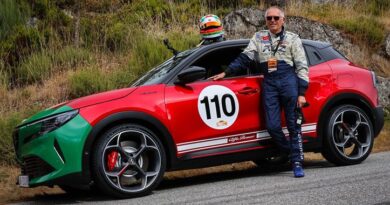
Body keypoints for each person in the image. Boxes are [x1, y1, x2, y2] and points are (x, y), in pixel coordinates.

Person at [209, 6, 308, 178]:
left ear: (283, 20)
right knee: (272, 126)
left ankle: (297, 163)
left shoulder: (293, 39)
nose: (272, 21)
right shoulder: (259, 37)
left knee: (293, 124)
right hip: (269, 82)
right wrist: (227, 73)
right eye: (269, 18)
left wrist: (301, 92)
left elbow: (301, 66)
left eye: (276, 18)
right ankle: (291, 153)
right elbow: (245, 58)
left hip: (288, 81)